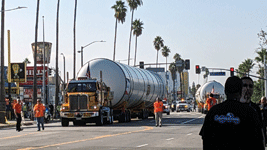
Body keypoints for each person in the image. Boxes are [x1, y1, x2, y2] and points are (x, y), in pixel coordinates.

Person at [199, 76, 264, 150]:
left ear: (225, 91)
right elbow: (258, 141)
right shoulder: (250, 112)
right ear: (240, 91)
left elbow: (206, 138)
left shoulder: (213, 111)